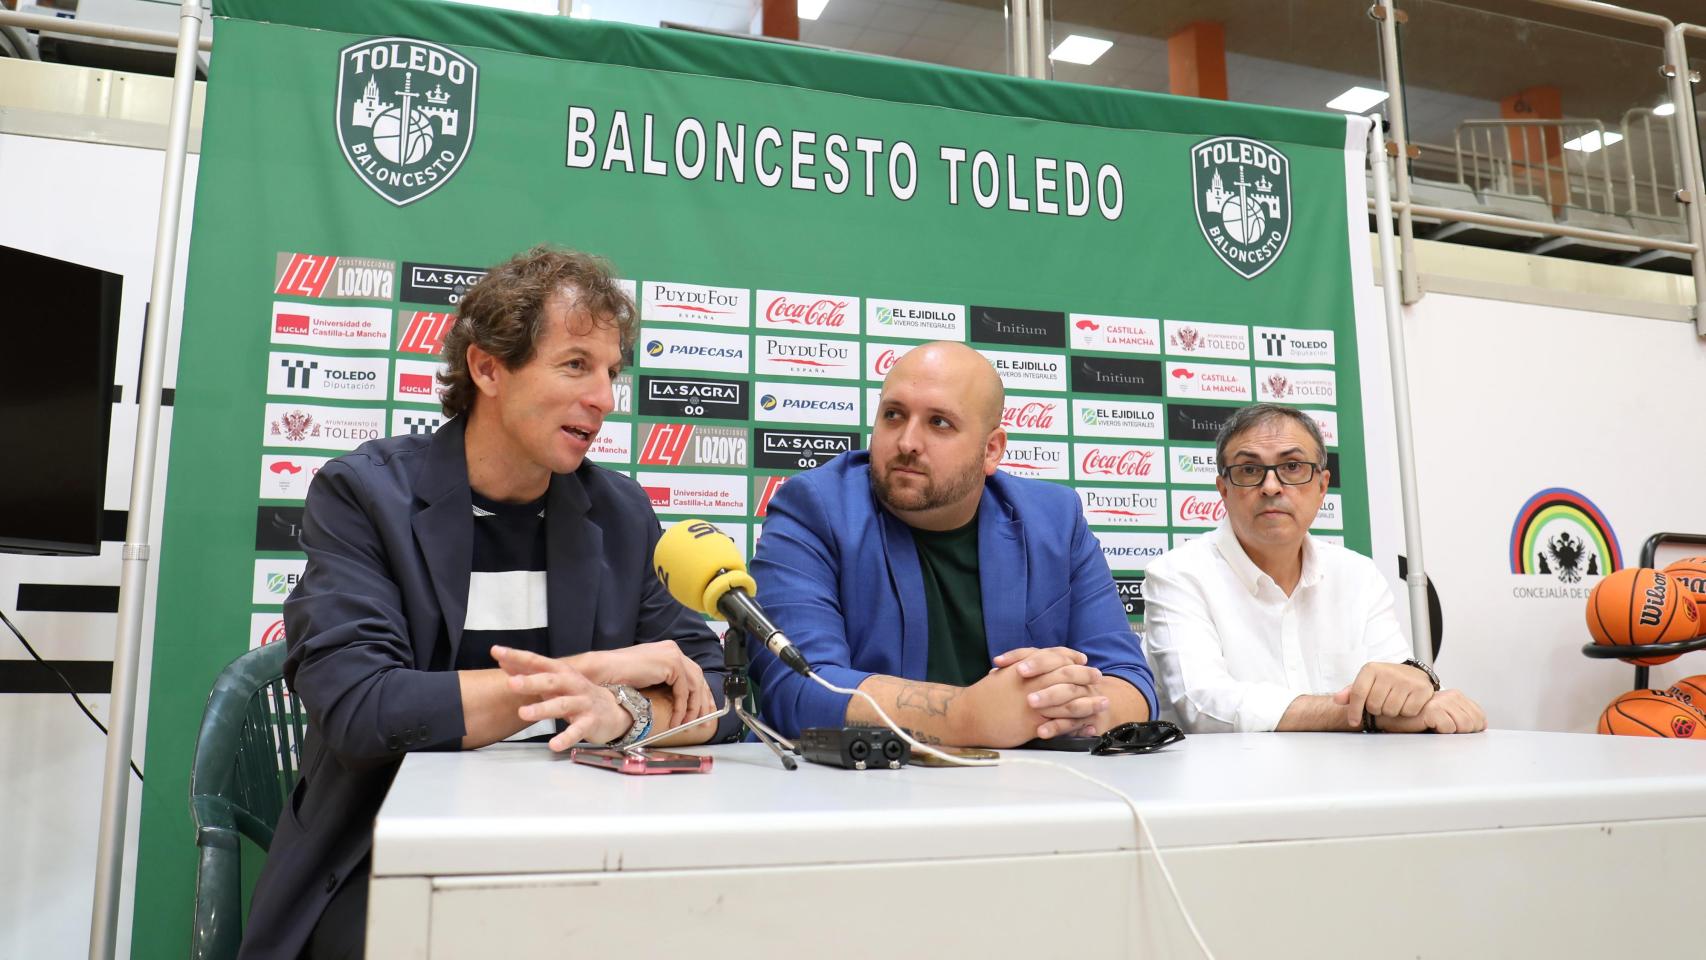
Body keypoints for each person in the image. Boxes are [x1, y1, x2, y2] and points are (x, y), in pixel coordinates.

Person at [241, 247, 738, 960]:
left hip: (577, 845)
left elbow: (715, 692)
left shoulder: (619, 511)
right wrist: (591, 675)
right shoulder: (365, 497)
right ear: (487, 369)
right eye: (575, 365)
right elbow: (362, 712)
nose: (603, 397)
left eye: (611, 372)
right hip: (383, 851)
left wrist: (624, 712)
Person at [748, 341, 1156, 747]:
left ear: (991, 450)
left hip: (1026, 792)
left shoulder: (1055, 519)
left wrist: (1060, 704)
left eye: (939, 423)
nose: (907, 441)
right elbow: (797, 686)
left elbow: (1130, 683)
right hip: (856, 795)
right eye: (893, 415)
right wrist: (968, 716)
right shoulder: (814, 508)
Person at [1141, 402, 1485, 735]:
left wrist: (1416, 689)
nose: (1271, 486)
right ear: (1224, 490)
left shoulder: (1358, 576)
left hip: (1350, 785)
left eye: (1292, 467)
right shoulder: (1178, 575)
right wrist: (1365, 715)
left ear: (1322, 486)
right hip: (1229, 788)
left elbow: (1397, 685)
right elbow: (1204, 706)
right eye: (1249, 470)